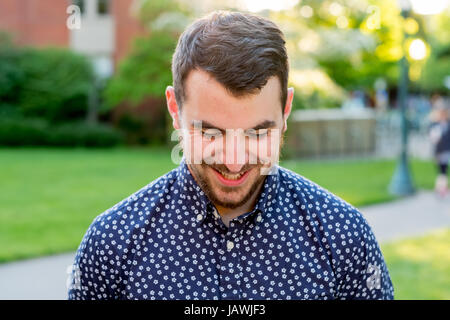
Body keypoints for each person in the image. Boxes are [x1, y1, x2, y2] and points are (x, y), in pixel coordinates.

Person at [67, 11, 394, 300]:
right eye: (211, 132)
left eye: (257, 132)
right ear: (174, 109)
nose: (235, 161)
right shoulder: (111, 244)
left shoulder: (344, 236)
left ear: (286, 110)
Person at [428, 98, 450, 197]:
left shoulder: (447, 124)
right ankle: (441, 188)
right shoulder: (435, 124)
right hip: (439, 150)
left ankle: (441, 187)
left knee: (443, 170)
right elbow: (433, 138)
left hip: (447, 150)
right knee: (441, 170)